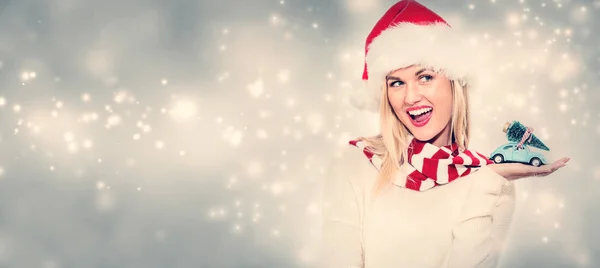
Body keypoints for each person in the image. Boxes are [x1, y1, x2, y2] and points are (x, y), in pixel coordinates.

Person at [319, 0, 570, 267]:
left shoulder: (492, 183)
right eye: (396, 83)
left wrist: (486, 184)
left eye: (425, 77)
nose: (410, 97)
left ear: (454, 83)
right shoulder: (353, 165)